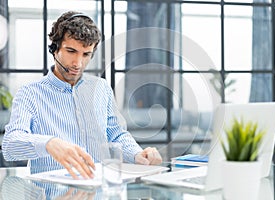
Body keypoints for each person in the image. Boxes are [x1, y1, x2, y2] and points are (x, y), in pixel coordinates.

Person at [2, 11, 162, 179]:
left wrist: (138, 154)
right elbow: (10, 144)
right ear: (54, 49)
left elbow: (116, 134)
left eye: (86, 54)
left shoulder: (101, 88)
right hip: (53, 193)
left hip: (100, 190)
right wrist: (49, 143)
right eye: (71, 51)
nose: (78, 63)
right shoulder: (30, 93)